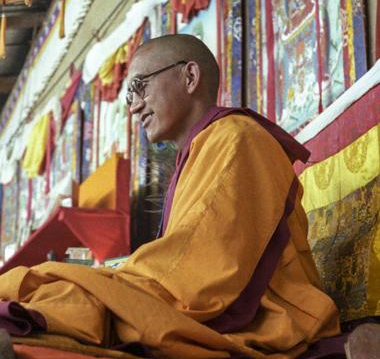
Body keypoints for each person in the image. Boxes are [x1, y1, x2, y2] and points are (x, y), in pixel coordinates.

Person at [0, 34, 341, 359]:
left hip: (269, 319)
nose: (133, 107)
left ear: (190, 76)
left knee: (74, 295)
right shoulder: (200, 152)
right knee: (66, 290)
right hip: (207, 294)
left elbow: (200, 272)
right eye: (128, 96)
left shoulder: (238, 138)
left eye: (138, 87)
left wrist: (113, 283)